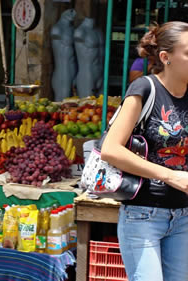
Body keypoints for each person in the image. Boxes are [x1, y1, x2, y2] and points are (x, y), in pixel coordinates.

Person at [101, 21, 188, 281]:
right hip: (143, 216)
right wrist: (171, 176)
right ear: (166, 57)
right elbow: (110, 149)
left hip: (184, 216)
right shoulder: (145, 89)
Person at [73, 17, 104, 98]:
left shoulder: (98, 31)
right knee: (87, 103)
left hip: (100, 71)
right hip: (87, 72)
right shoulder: (80, 32)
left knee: (102, 105)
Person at [51, 9, 77, 101]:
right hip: (63, 69)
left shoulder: (72, 29)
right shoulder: (57, 29)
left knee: (72, 100)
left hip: (73, 68)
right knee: (63, 99)